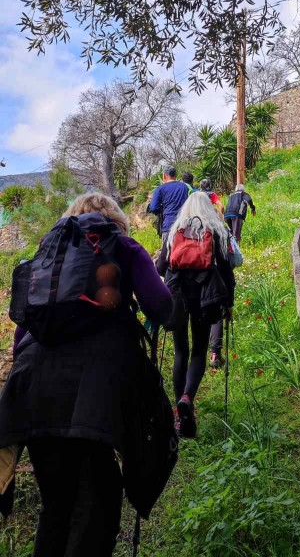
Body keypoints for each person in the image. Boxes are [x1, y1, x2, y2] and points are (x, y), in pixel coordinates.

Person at [0, 193, 173, 557]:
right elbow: (161, 305)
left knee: (55, 504)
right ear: (115, 221)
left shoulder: (51, 253)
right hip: (96, 392)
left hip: (32, 388)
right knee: (98, 504)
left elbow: (22, 333)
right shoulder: (123, 246)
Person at [157, 192, 235, 438]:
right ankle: (188, 398)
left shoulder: (175, 231)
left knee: (180, 351)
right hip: (205, 297)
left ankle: (179, 416)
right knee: (199, 351)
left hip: (178, 295)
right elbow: (226, 272)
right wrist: (229, 304)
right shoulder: (216, 231)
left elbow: (160, 267)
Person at [209, 184, 255, 369]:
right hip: (215, 281)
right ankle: (214, 353)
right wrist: (229, 302)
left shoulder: (184, 231)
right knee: (217, 313)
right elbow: (230, 264)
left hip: (189, 287)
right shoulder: (220, 234)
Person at [147, 166, 189, 241]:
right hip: (183, 225)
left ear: (164, 175)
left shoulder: (160, 189)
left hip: (168, 225)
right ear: (175, 175)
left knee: (167, 248)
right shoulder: (184, 187)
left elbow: (153, 208)